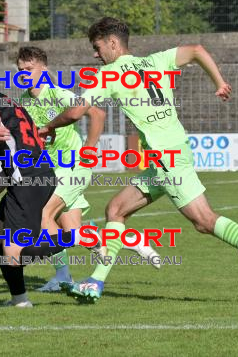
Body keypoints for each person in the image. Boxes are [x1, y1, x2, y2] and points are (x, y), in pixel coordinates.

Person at [39, 17, 238, 303]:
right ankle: (96, 282)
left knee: (204, 221)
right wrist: (219, 82)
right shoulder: (154, 61)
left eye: (97, 47)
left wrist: (47, 127)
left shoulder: (109, 76)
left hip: (166, 158)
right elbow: (196, 49)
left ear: (112, 43)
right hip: (167, 156)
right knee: (116, 210)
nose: (96, 55)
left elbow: (74, 112)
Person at [0, 60, 100, 307]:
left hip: (29, 180)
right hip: (34, 175)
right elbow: (11, 167)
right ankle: (19, 299)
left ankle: (81, 236)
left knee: (14, 253)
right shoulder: (11, 103)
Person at [16, 46, 161, 292]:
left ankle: (64, 274)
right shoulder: (24, 101)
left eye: (29, 69)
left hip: (72, 166)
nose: (23, 75)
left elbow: (97, 113)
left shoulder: (58, 94)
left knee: (41, 216)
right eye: (20, 71)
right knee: (71, 230)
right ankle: (128, 239)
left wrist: (90, 149)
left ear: (44, 69)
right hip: (51, 171)